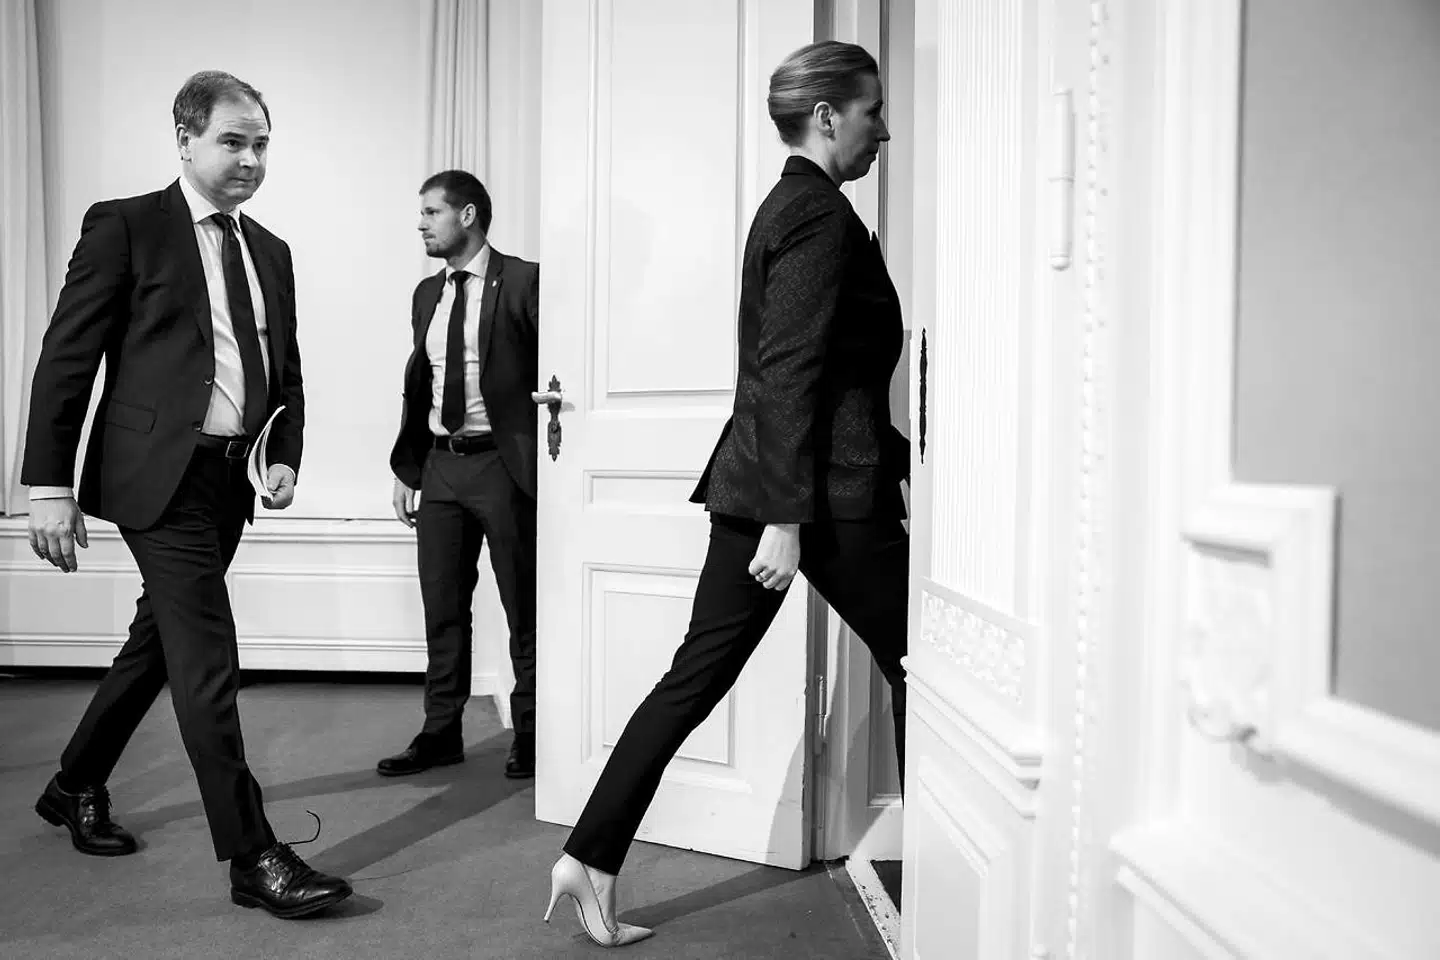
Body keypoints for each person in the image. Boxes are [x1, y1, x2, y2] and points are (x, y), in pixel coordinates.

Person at [543, 40, 908, 948]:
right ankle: (946, 883)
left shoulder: (793, 205)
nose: (884, 130)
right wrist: (788, 518)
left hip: (784, 484)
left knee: (694, 677)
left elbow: (821, 376)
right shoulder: (817, 215)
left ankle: (588, 857)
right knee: (924, 667)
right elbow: (787, 373)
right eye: (872, 111)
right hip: (816, 499)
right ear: (827, 116)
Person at [21, 71, 352, 917]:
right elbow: (68, 357)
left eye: (262, 145)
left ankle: (74, 782)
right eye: (232, 142)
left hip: (229, 480)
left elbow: (285, 370)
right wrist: (48, 483)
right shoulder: (126, 226)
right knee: (208, 659)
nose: (251, 160)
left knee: (160, 644)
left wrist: (283, 454)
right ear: (185, 139)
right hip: (154, 477)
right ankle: (253, 855)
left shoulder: (270, 249)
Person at [382, 171, 540, 782]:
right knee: (443, 606)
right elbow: (420, 383)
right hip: (441, 465)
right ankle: (441, 732)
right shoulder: (427, 293)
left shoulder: (523, 280)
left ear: (467, 215)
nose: (421, 224)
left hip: (504, 464)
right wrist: (409, 467)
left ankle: (532, 734)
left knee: (523, 605)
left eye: (431, 212)